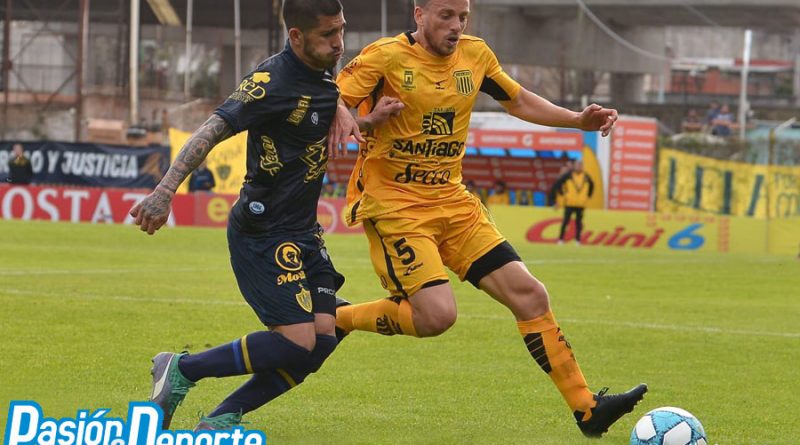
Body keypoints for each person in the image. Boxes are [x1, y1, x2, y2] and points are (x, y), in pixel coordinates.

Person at [330, 0, 646, 438]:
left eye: (463, 17)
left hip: (453, 202)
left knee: (530, 295)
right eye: (446, 16)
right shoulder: (385, 56)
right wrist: (364, 119)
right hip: (397, 206)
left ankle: (587, 408)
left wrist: (577, 120)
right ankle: (340, 317)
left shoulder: (476, 55)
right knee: (437, 317)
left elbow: (517, 100)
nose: (457, 26)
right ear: (419, 14)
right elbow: (330, 105)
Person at [129, 0, 397, 431]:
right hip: (263, 230)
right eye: (328, 34)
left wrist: (365, 121)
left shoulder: (322, 75)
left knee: (325, 338)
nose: (339, 43)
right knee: (296, 343)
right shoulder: (269, 82)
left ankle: (221, 417)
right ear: (296, 37)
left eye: (341, 30)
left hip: (304, 232)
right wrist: (164, 191)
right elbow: (210, 131)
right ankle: (181, 368)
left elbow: (310, 120)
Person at [549, 160, 594, 245]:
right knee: (565, 222)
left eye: (580, 165)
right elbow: (558, 183)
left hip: (580, 204)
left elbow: (592, 185)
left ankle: (578, 240)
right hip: (569, 203)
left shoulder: (586, 176)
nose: (579, 167)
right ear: (574, 166)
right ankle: (561, 239)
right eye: (577, 165)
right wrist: (562, 193)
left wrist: (588, 196)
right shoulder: (569, 175)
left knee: (579, 223)